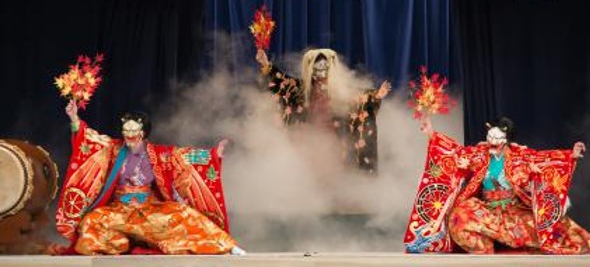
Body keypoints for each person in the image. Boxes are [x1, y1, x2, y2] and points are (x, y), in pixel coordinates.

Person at [404, 116, 590, 256]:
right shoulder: (480, 153)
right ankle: (484, 252)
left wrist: (570, 156)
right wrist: (432, 134)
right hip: (487, 210)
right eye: (490, 136)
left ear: (506, 139)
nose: (491, 141)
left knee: (552, 223)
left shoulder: (519, 155)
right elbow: (456, 152)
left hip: (514, 211)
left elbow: (544, 160)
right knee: (460, 216)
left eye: (496, 137)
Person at [56, 100, 246, 256]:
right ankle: (120, 244)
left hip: (150, 211)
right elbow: (90, 140)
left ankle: (226, 246)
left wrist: (214, 155)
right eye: (126, 131)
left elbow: (186, 157)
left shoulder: (159, 154)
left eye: (134, 131)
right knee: (91, 221)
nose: (130, 136)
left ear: (143, 132)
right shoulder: (113, 149)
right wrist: (74, 117)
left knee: (185, 215)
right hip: (119, 212)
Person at [255, 48, 391, 173]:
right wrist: (266, 64)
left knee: (334, 170)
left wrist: (377, 95)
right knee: (311, 172)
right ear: (311, 68)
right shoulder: (302, 89)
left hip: (334, 140)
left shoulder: (340, 89)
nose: (321, 70)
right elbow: (281, 82)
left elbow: (358, 97)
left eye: (325, 66)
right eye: (317, 66)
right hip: (310, 139)